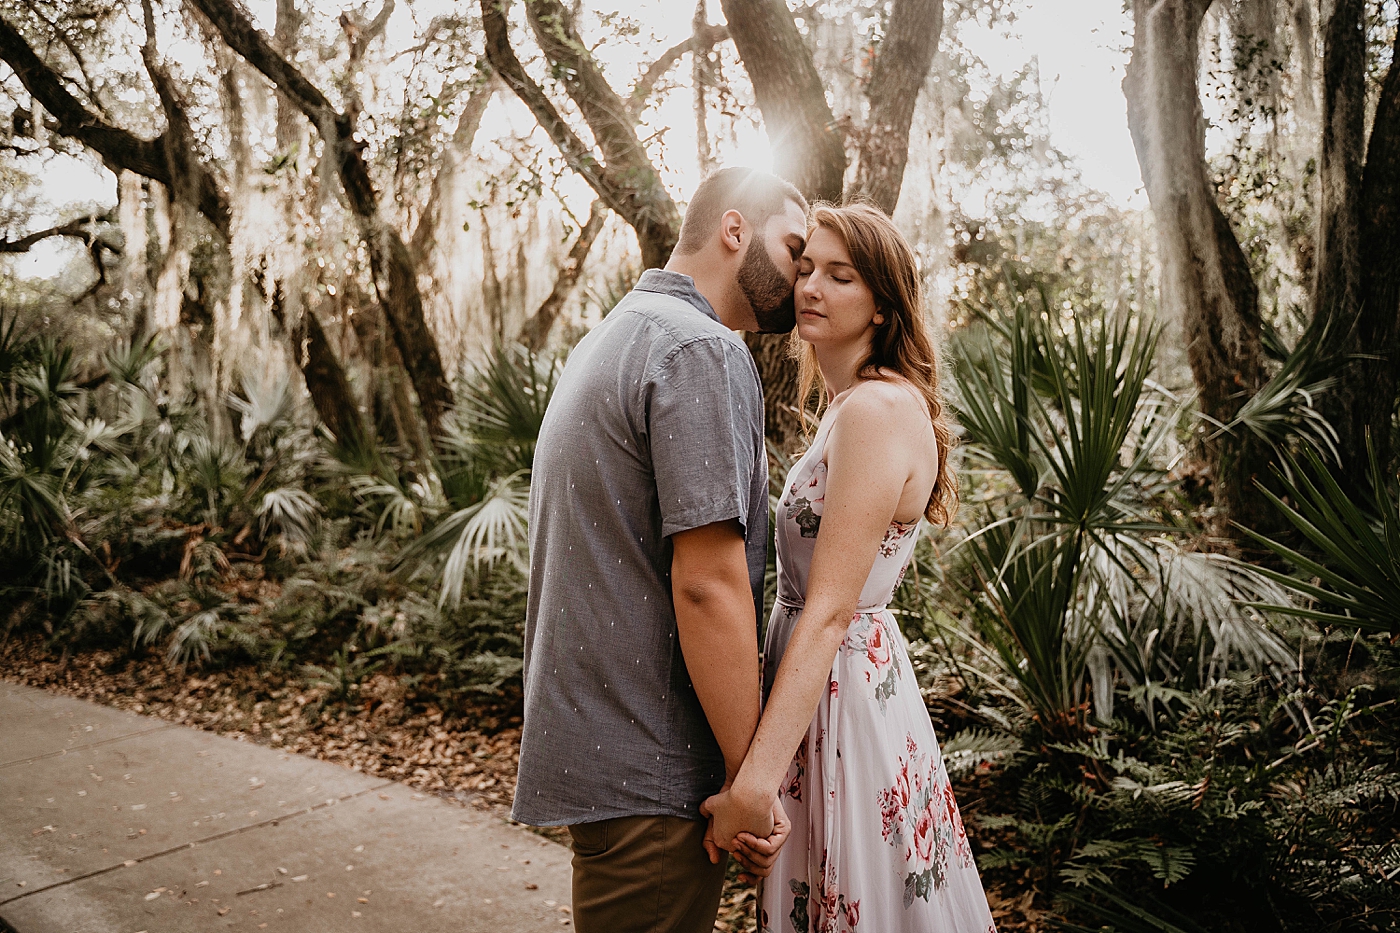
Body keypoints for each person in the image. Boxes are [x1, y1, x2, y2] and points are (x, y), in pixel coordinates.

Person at [512, 167, 808, 933]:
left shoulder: (614, 335)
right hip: (656, 773)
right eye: (795, 246)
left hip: (612, 761)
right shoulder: (699, 350)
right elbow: (708, 582)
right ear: (735, 230)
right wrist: (752, 777)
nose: (804, 273)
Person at [701, 203, 998, 932]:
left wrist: (754, 783)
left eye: (841, 275)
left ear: (882, 302)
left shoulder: (876, 410)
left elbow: (833, 607)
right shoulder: (849, 406)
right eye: (805, 268)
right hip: (820, 681)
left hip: (843, 691)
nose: (811, 286)